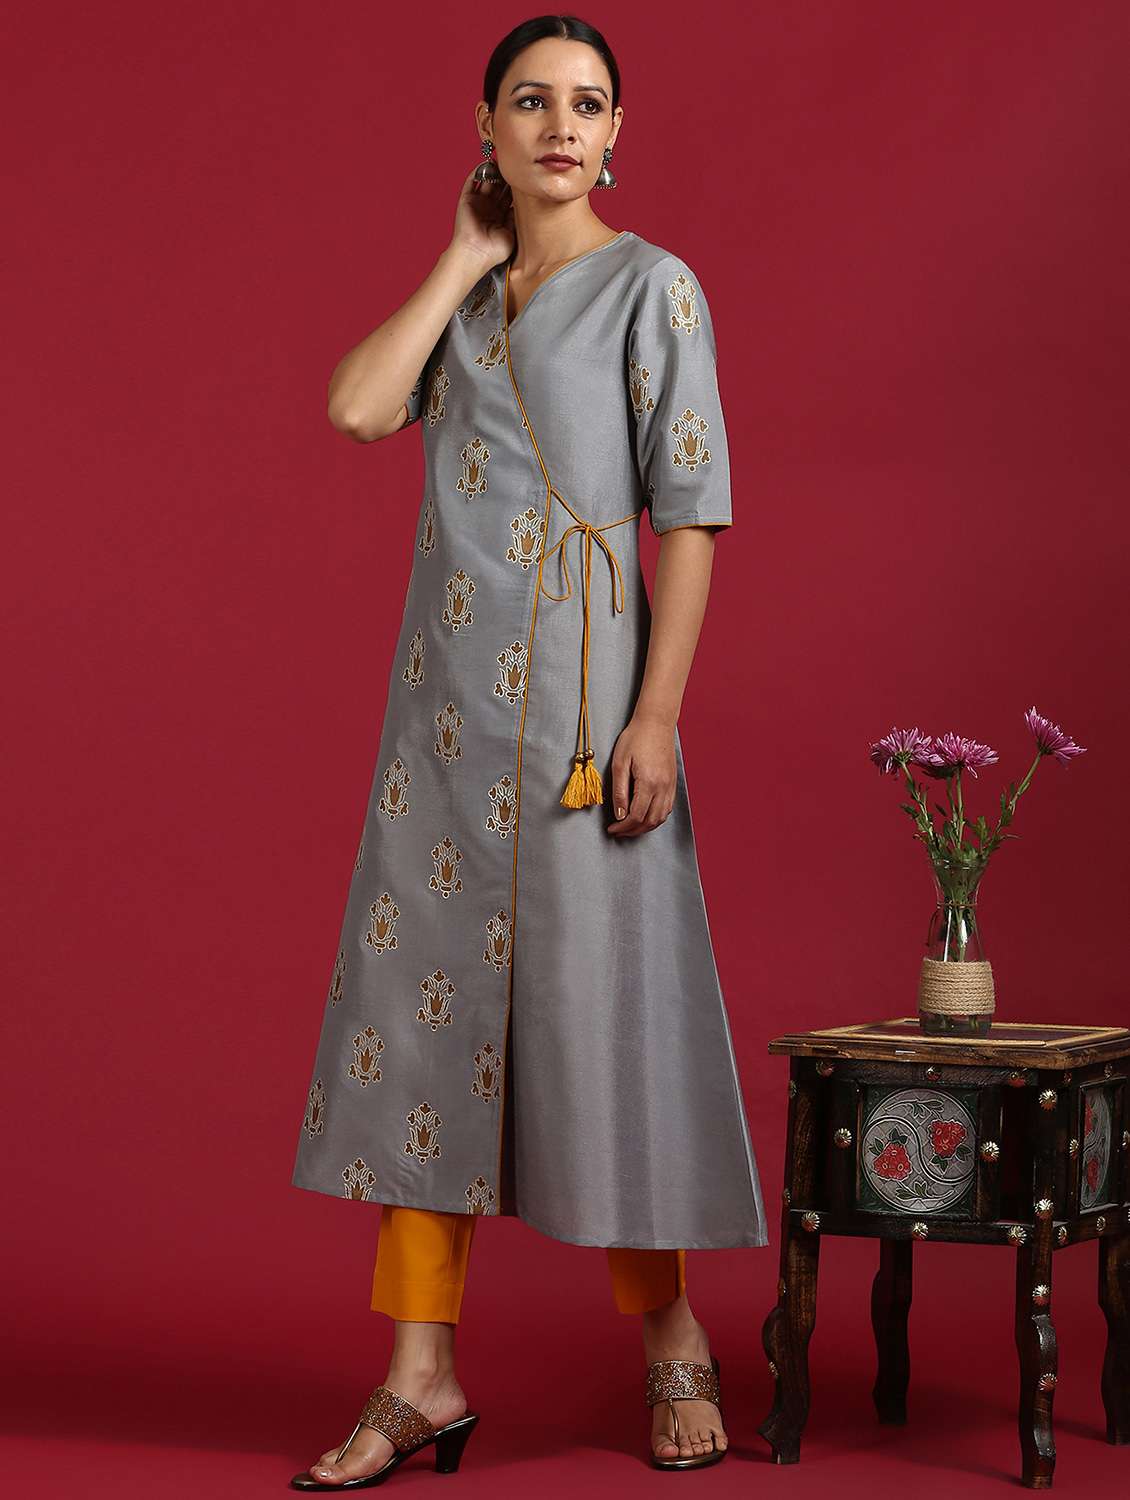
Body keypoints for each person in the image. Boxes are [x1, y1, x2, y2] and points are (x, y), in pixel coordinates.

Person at [289, 15, 768, 1489]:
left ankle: (672, 1334)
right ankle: (419, 1376)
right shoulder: (469, 301)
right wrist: (458, 258)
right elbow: (356, 409)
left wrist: (655, 717)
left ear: (618, 133)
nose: (562, 126)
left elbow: (690, 515)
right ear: (486, 124)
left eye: (589, 104)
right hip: (444, 726)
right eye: (532, 101)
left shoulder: (653, 286)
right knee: (418, 1033)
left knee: (605, 1019)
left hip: (581, 722)